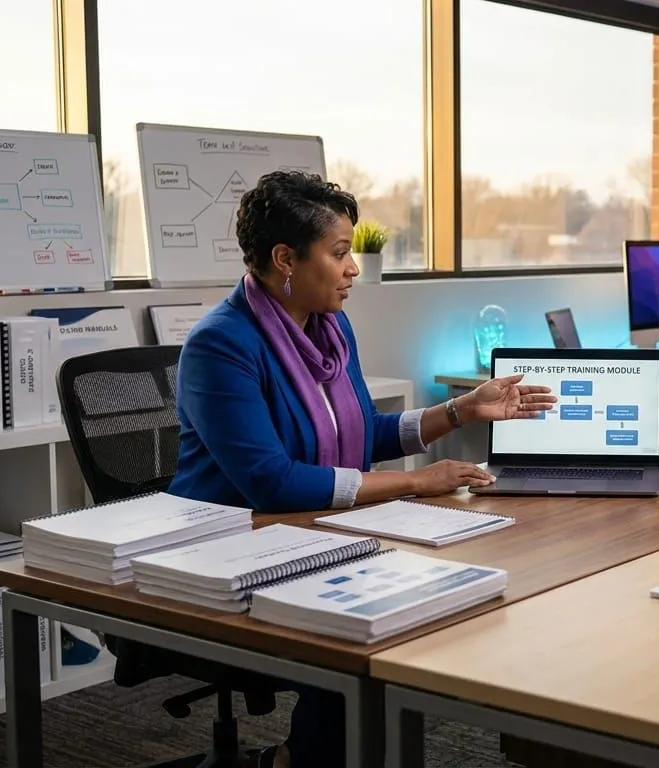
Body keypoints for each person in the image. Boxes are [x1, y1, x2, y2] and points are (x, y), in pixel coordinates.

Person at [168, 171, 556, 768]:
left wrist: (460, 410)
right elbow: (274, 482)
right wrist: (418, 481)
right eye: (341, 253)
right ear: (284, 259)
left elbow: (361, 435)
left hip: (317, 531)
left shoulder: (329, 328)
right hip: (234, 548)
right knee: (362, 632)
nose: (354, 269)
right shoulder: (221, 345)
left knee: (442, 597)